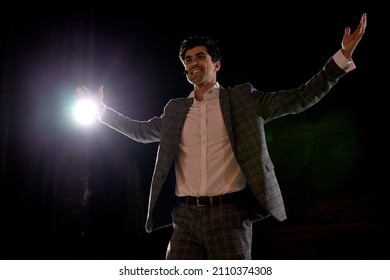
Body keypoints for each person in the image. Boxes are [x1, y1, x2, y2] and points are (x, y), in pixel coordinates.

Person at [75, 13, 367, 260]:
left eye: (200, 56)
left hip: (229, 215)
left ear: (216, 65)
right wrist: (103, 113)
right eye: (187, 59)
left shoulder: (242, 100)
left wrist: (341, 59)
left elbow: (298, 98)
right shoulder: (176, 110)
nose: (193, 62)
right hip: (186, 218)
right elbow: (140, 131)